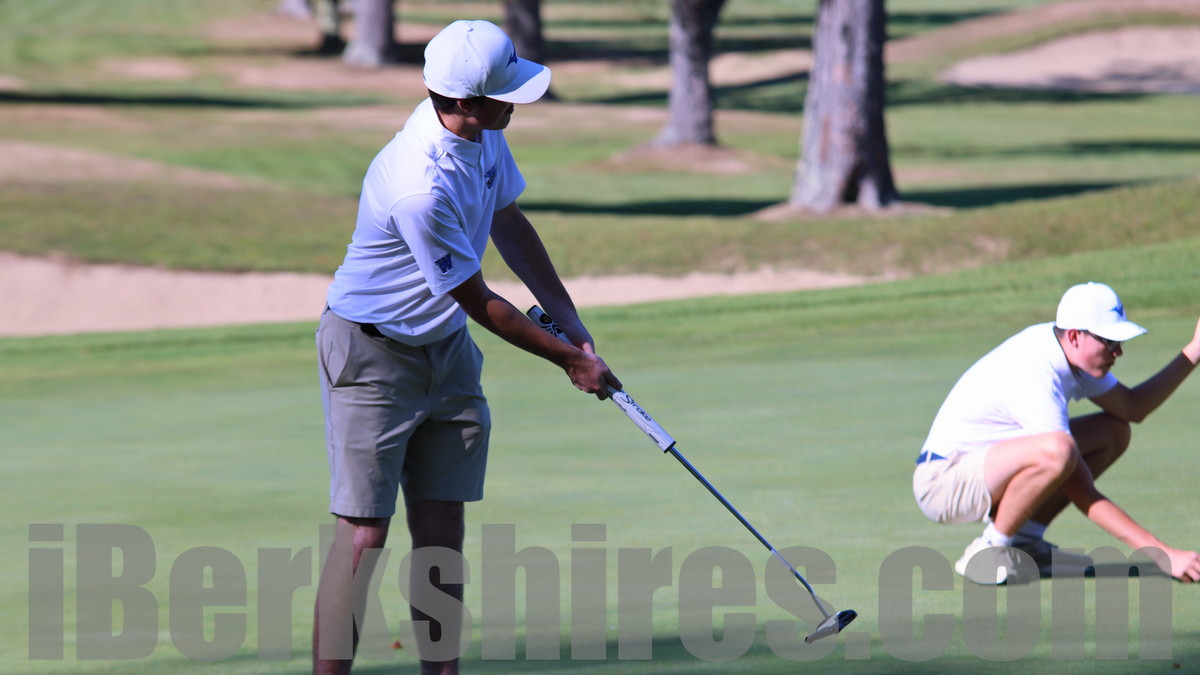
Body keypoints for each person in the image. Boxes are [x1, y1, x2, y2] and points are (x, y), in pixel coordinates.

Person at [313, 20, 620, 674]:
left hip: (444, 346)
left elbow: (508, 220)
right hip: (372, 354)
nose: (516, 103)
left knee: (441, 531)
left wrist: (571, 322)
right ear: (462, 101)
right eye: (504, 94)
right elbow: (479, 300)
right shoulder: (418, 186)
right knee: (365, 535)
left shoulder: (481, 132)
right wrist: (572, 361)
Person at [913, 281, 1200, 585]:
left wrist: (1195, 349)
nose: (1118, 351)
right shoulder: (1036, 369)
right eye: (1109, 341)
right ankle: (989, 550)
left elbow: (1132, 407)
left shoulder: (1069, 352)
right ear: (1075, 336)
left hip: (984, 468)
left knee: (1113, 433)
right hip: (943, 483)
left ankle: (1025, 543)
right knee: (1059, 451)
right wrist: (1162, 553)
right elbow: (1080, 488)